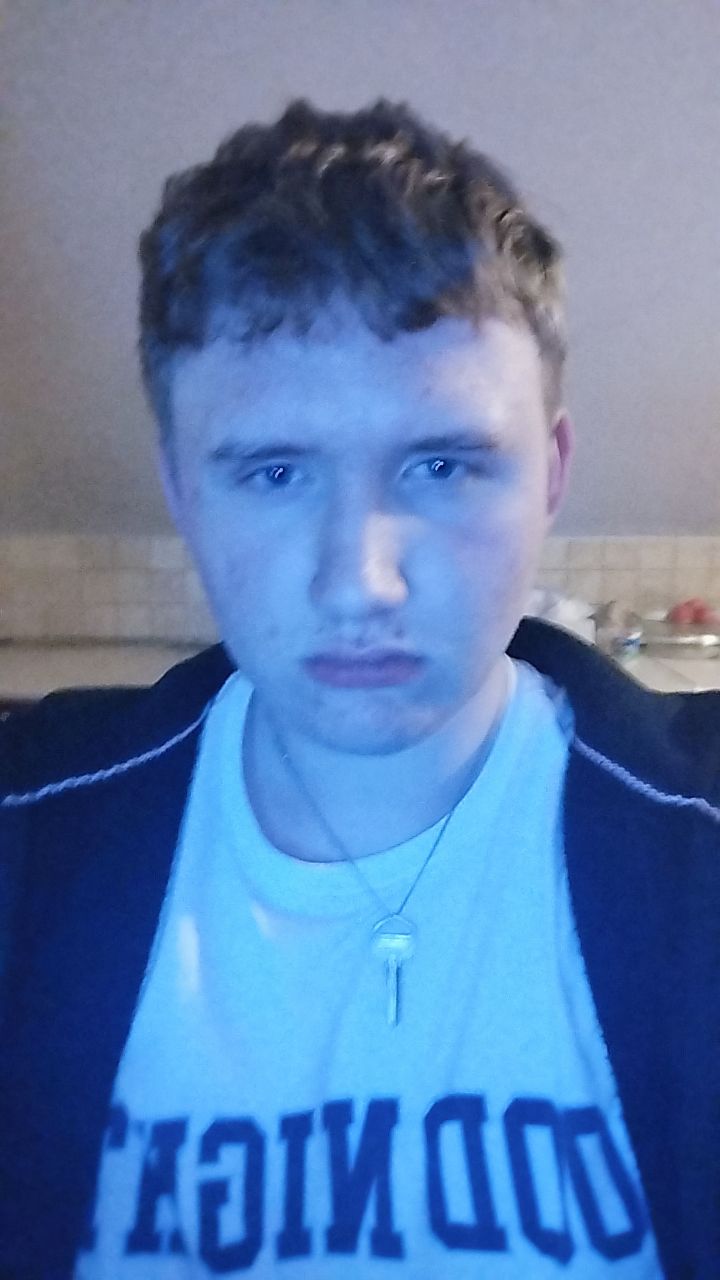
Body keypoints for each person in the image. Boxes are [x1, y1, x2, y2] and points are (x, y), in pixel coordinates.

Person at [0, 97, 717, 1280]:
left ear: (551, 474)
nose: (360, 579)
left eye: (442, 464)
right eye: (274, 472)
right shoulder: (26, 843)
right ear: (179, 488)